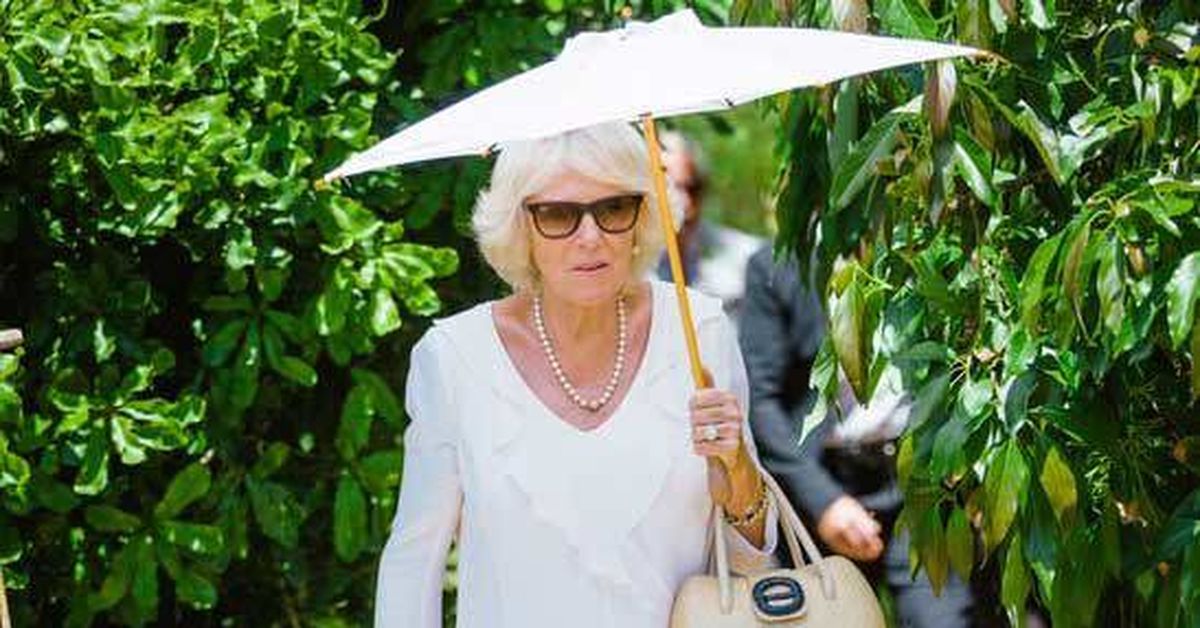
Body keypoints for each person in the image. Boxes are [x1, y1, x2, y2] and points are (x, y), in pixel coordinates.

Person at [375, 122, 779, 627]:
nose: (590, 237)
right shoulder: (454, 357)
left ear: (642, 216)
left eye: (613, 208)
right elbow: (414, 562)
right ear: (520, 227)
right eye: (559, 214)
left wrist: (737, 466)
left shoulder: (701, 331)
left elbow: (753, 562)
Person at [739, 245, 974, 627]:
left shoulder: (930, 250)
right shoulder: (775, 267)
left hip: (918, 480)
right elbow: (761, 401)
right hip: (823, 479)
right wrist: (824, 502)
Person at [655, 131, 763, 321]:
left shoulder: (748, 256)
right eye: (672, 189)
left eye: (692, 188)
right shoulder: (626, 271)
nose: (686, 203)